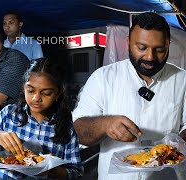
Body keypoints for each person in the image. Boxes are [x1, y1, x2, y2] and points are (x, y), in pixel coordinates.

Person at [72, 12, 186, 180]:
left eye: (159, 49)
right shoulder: (103, 78)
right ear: (127, 43)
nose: (149, 57)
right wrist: (104, 124)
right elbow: (78, 131)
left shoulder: (183, 80)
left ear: (168, 45)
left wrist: (179, 142)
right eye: (141, 48)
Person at [0, 58, 83, 179]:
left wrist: (52, 171)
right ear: (23, 88)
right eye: (30, 90)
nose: (36, 98)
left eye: (46, 93)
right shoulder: (9, 114)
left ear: (58, 94)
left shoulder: (65, 125)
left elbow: (76, 172)